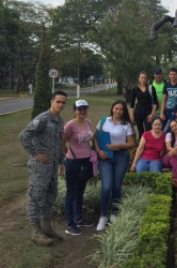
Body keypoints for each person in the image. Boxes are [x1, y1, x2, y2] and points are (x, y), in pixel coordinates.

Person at [20, 91, 68, 246]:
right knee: (36, 198)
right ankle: (36, 232)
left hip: (52, 167)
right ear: (51, 101)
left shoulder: (59, 121)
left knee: (50, 196)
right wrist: (36, 154)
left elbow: (60, 143)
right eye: (58, 102)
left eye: (63, 102)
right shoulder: (42, 119)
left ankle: (47, 227)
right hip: (40, 168)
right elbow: (24, 135)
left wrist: (61, 162)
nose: (60, 105)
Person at [93, 100, 135, 232]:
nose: (118, 111)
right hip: (105, 157)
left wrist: (117, 145)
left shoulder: (127, 124)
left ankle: (113, 213)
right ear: (112, 109)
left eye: (121, 109)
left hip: (121, 157)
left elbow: (131, 144)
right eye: (116, 108)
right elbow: (95, 138)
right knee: (106, 187)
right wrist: (98, 151)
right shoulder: (104, 120)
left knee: (116, 186)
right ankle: (103, 216)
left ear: (124, 111)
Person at [62, 99, 96, 236]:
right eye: (79, 109)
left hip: (86, 162)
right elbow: (62, 143)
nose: (82, 112)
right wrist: (69, 155)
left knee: (80, 192)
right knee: (71, 193)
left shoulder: (88, 123)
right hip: (73, 162)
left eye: (84, 109)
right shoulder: (69, 125)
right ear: (74, 111)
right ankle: (70, 224)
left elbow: (91, 139)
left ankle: (78, 218)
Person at [130, 71, 158, 140]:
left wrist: (152, 114)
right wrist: (132, 116)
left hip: (148, 112)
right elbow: (131, 104)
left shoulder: (151, 88)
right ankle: (141, 146)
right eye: (141, 78)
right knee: (140, 131)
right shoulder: (135, 89)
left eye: (145, 78)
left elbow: (155, 103)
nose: (143, 79)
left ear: (147, 79)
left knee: (148, 131)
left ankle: (148, 147)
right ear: (138, 78)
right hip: (138, 112)